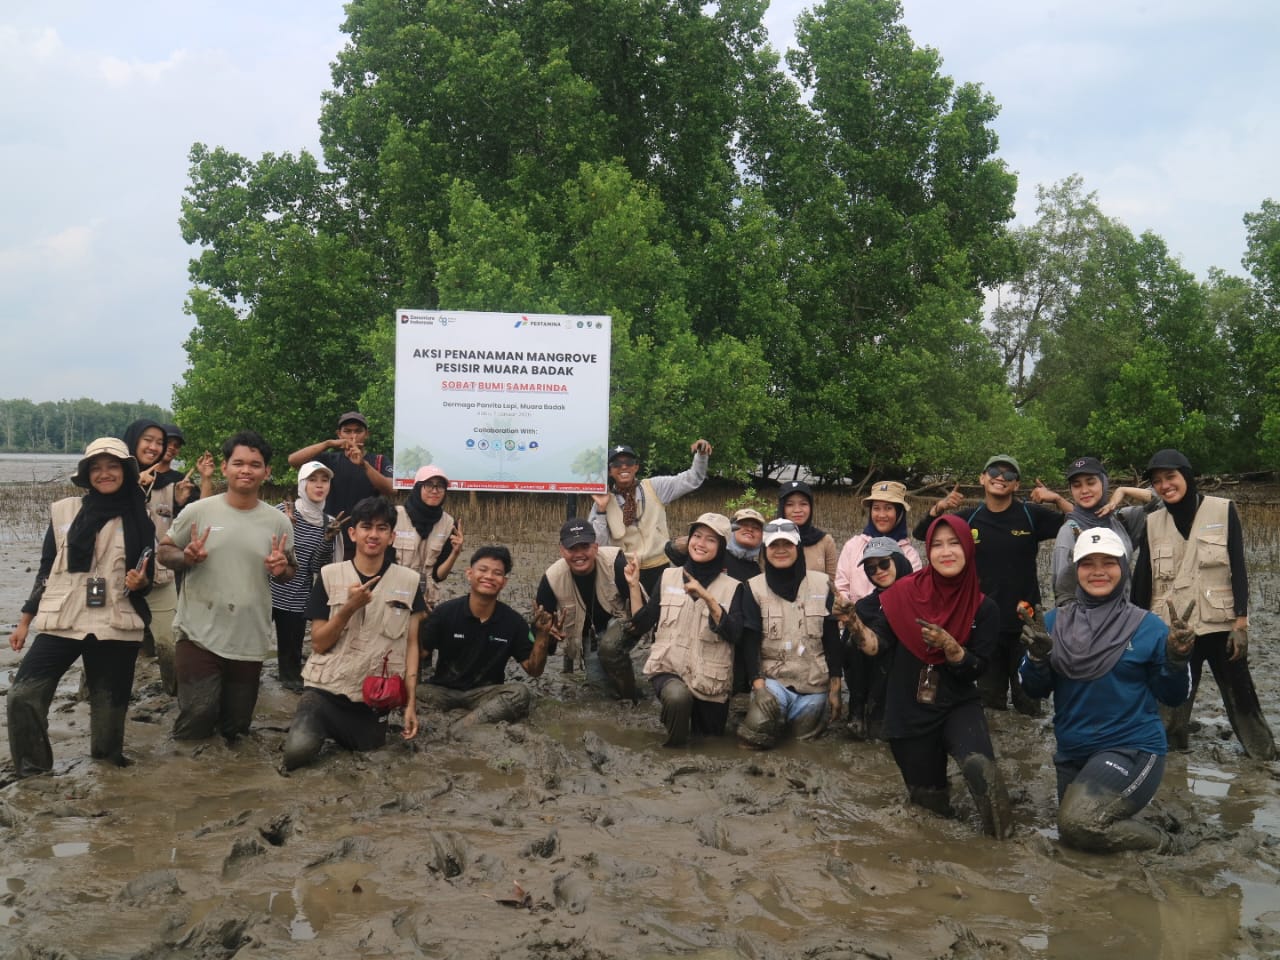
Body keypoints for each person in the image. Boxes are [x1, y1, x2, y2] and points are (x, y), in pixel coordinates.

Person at [1018, 528, 1194, 852]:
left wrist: (1177, 659)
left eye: (1109, 563)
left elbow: (1174, 696)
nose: (1098, 571)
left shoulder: (1148, 627)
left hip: (1132, 748)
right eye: (1088, 563)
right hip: (1072, 752)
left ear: (1123, 568)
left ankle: (1172, 846)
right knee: (1075, 838)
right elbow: (1032, 691)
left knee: (1078, 822)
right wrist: (1037, 658)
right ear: (1075, 570)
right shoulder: (1053, 623)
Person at [853, 515, 1012, 838]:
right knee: (929, 806)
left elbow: (978, 669)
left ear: (968, 548)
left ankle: (1004, 845)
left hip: (957, 702)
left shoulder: (984, 609)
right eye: (937, 545)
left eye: (954, 543)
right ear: (928, 551)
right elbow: (876, 646)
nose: (946, 552)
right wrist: (853, 623)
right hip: (908, 709)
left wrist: (952, 649)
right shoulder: (902, 593)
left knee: (980, 767)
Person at [6, 438, 156, 775]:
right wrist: (25, 621)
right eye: (96, 468)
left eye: (112, 466)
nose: (105, 474)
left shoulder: (141, 516)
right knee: (22, 696)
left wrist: (140, 583)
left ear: (125, 471)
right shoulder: (63, 511)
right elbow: (46, 569)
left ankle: (107, 776)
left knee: (108, 723)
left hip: (116, 623)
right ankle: (33, 773)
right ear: (87, 474)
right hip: (64, 619)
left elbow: (148, 575)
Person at [1133, 449, 1276, 759]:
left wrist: (1241, 622)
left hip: (1221, 625)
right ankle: (1171, 757)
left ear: (1186, 476)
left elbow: (1238, 567)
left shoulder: (1222, 510)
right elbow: (1142, 580)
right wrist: (1137, 630)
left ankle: (1263, 756)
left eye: (1170, 477)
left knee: (1242, 696)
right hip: (1175, 630)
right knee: (1172, 699)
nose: (1165, 485)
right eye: (1157, 481)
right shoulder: (1152, 522)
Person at [157, 430, 296, 741]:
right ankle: (187, 767)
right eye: (238, 463)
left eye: (255, 465)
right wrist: (186, 557)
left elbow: (290, 571)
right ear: (224, 467)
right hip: (198, 632)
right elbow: (164, 551)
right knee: (197, 716)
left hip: (249, 636)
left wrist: (281, 569)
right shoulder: (199, 511)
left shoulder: (278, 522)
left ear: (267, 471)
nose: (246, 470)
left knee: (236, 727)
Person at [282, 497, 424, 770]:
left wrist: (410, 705)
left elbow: (412, 645)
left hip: (374, 699)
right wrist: (348, 608)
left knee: (371, 754)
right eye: (366, 526)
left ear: (392, 537)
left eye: (382, 528)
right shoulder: (329, 575)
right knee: (297, 754)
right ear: (352, 533)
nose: (373, 535)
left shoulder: (409, 581)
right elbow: (319, 643)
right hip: (325, 692)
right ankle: (309, 727)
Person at [917, 454, 1065, 715]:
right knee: (990, 705)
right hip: (985, 622)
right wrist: (939, 508)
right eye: (994, 472)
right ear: (982, 479)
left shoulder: (1031, 515)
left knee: (1029, 703)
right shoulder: (969, 519)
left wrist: (1058, 499)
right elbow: (921, 534)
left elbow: (1082, 525)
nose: (1001, 477)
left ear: (1016, 484)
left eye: (1009, 475)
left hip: (1026, 623)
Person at [626, 513, 750, 746]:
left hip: (710, 681)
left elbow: (734, 634)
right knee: (677, 698)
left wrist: (708, 598)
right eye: (697, 536)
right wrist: (633, 585)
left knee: (710, 741)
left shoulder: (734, 588)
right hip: (669, 669)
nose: (701, 544)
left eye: (711, 540)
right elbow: (641, 623)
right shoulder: (668, 576)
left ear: (721, 548)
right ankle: (672, 751)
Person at [418, 545, 553, 732]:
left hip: (485, 695)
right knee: (412, 692)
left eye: (497, 573)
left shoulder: (513, 621)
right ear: (469, 574)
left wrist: (542, 635)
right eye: (483, 570)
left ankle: (461, 726)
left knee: (520, 693)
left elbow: (534, 670)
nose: (489, 576)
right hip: (444, 691)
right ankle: (467, 725)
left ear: (504, 582)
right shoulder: (445, 613)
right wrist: (417, 622)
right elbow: (420, 654)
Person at [737, 519, 842, 749]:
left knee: (803, 747)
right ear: (765, 551)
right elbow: (750, 643)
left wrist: (836, 689)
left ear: (798, 547)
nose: (781, 550)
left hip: (814, 685)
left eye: (787, 544)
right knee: (754, 736)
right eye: (774, 545)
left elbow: (832, 639)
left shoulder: (823, 584)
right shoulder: (753, 588)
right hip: (774, 683)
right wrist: (759, 688)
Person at [589, 439, 712, 594]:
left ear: (636, 467)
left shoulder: (655, 487)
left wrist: (701, 456)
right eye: (617, 464)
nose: (623, 467)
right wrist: (601, 510)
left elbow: (692, 479)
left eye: (628, 462)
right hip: (625, 570)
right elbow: (597, 545)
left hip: (660, 566)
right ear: (609, 471)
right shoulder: (602, 500)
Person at [534, 519, 636, 696]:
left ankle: (632, 696)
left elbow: (642, 611)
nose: (579, 555)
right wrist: (549, 636)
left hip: (621, 623)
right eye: (572, 549)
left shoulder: (615, 563)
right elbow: (537, 634)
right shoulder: (551, 578)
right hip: (589, 636)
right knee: (600, 691)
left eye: (585, 547)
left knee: (610, 648)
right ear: (562, 551)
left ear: (595, 547)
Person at [1034, 457, 1149, 606]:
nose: (1084, 490)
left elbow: (1163, 501)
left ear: (1104, 482)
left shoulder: (1122, 520)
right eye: (1077, 485)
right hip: (1086, 618)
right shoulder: (1069, 532)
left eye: (1091, 482)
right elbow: (1063, 595)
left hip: (1126, 616)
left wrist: (1123, 490)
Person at [270, 461, 341, 691]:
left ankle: (288, 684)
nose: (319, 485)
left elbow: (315, 567)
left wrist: (327, 540)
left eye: (324, 480)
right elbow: (263, 548)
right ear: (302, 484)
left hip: (298, 595)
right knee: (250, 644)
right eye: (313, 480)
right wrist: (285, 526)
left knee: (291, 657)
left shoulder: (328, 522)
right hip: (268, 590)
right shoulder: (282, 511)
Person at [840, 536, 915, 740]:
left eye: (884, 564)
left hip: (908, 679)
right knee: (850, 644)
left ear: (898, 560)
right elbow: (847, 654)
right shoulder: (864, 605)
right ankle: (858, 709)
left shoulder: (919, 596)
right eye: (871, 568)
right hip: (873, 677)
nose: (879, 571)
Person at [287, 412, 394, 554]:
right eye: (347, 431)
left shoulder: (379, 461)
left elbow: (392, 489)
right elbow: (293, 461)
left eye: (358, 431)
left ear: (367, 434)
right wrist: (328, 444)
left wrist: (364, 465)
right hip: (331, 537)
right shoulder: (328, 460)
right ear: (339, 434)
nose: (353, 436)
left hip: (366, 539)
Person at [835, 481, 923, 605]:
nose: (881, 515)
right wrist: (847, 608)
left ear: (899, 512)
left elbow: (912, 596)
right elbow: (841, 587)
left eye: (888, 508)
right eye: (876, 508)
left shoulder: (910, 555)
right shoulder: (852, 546)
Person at [393, 464, 463, 612]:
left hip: (426, 603)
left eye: (440, 486)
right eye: (429, 485)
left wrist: (455, 553)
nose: (435, 491)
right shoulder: (395, 516)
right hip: (393, 599)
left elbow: (438, 576)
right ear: (418, 487)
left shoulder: (449, 524)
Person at [777, 480, 838, 583]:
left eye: (803, 504)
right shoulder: (771, 540)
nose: (797, 510)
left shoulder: (825, 541)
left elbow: (832, 582)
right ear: (782, 507)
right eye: (790, 504)